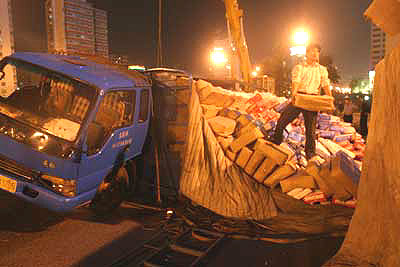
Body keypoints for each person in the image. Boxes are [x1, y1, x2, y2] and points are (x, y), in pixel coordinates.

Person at [269, 43, 332, 160]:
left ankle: (310, 154)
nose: (315, 53)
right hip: (300, 97)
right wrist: (294, 95)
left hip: (313, 99)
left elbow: (325, 84)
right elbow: (296, 82)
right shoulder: (300, 67)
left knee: (311, 130)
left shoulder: (322, 70)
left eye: (317, 51)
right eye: (312, 51)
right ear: (307, 53)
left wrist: (330, 99)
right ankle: (277, 140)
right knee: (283, 120)